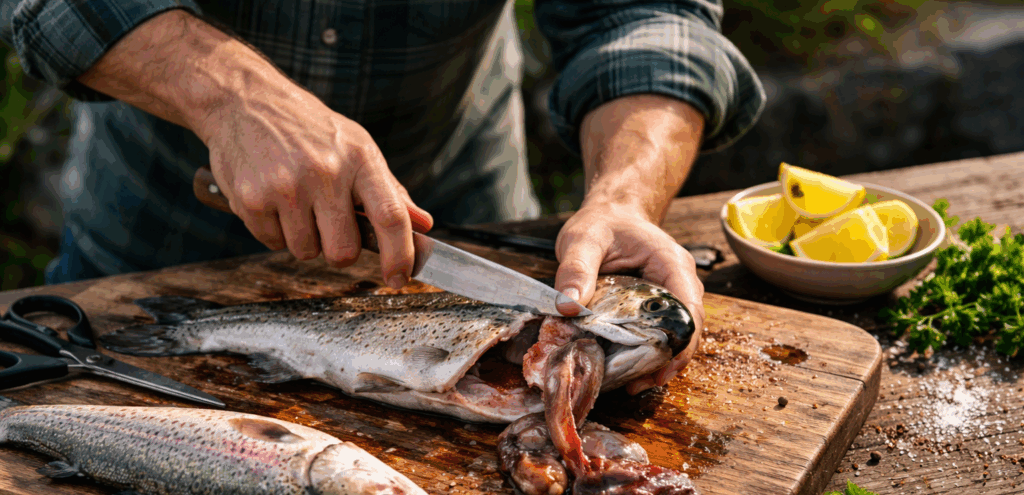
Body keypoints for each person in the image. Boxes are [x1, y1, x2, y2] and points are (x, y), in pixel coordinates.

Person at [1, 0, 764, 393]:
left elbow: (643, 16)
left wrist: (625, 194)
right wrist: (230, 95)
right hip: (159, 223)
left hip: (466, 208)